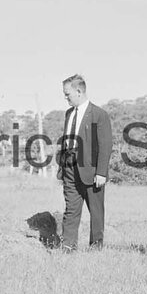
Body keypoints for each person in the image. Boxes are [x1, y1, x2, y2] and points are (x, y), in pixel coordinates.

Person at [57, 74, 112, 251]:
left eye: (68, 94)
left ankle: (96, 247)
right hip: (70, 168)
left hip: (92, 170)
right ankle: (68, 247)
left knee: (96, 211)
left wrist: (101, 172)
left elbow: (105, 145)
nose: (66, 98)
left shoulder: (99, 114)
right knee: (71, 209)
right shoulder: (68, 114)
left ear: (79, 91)